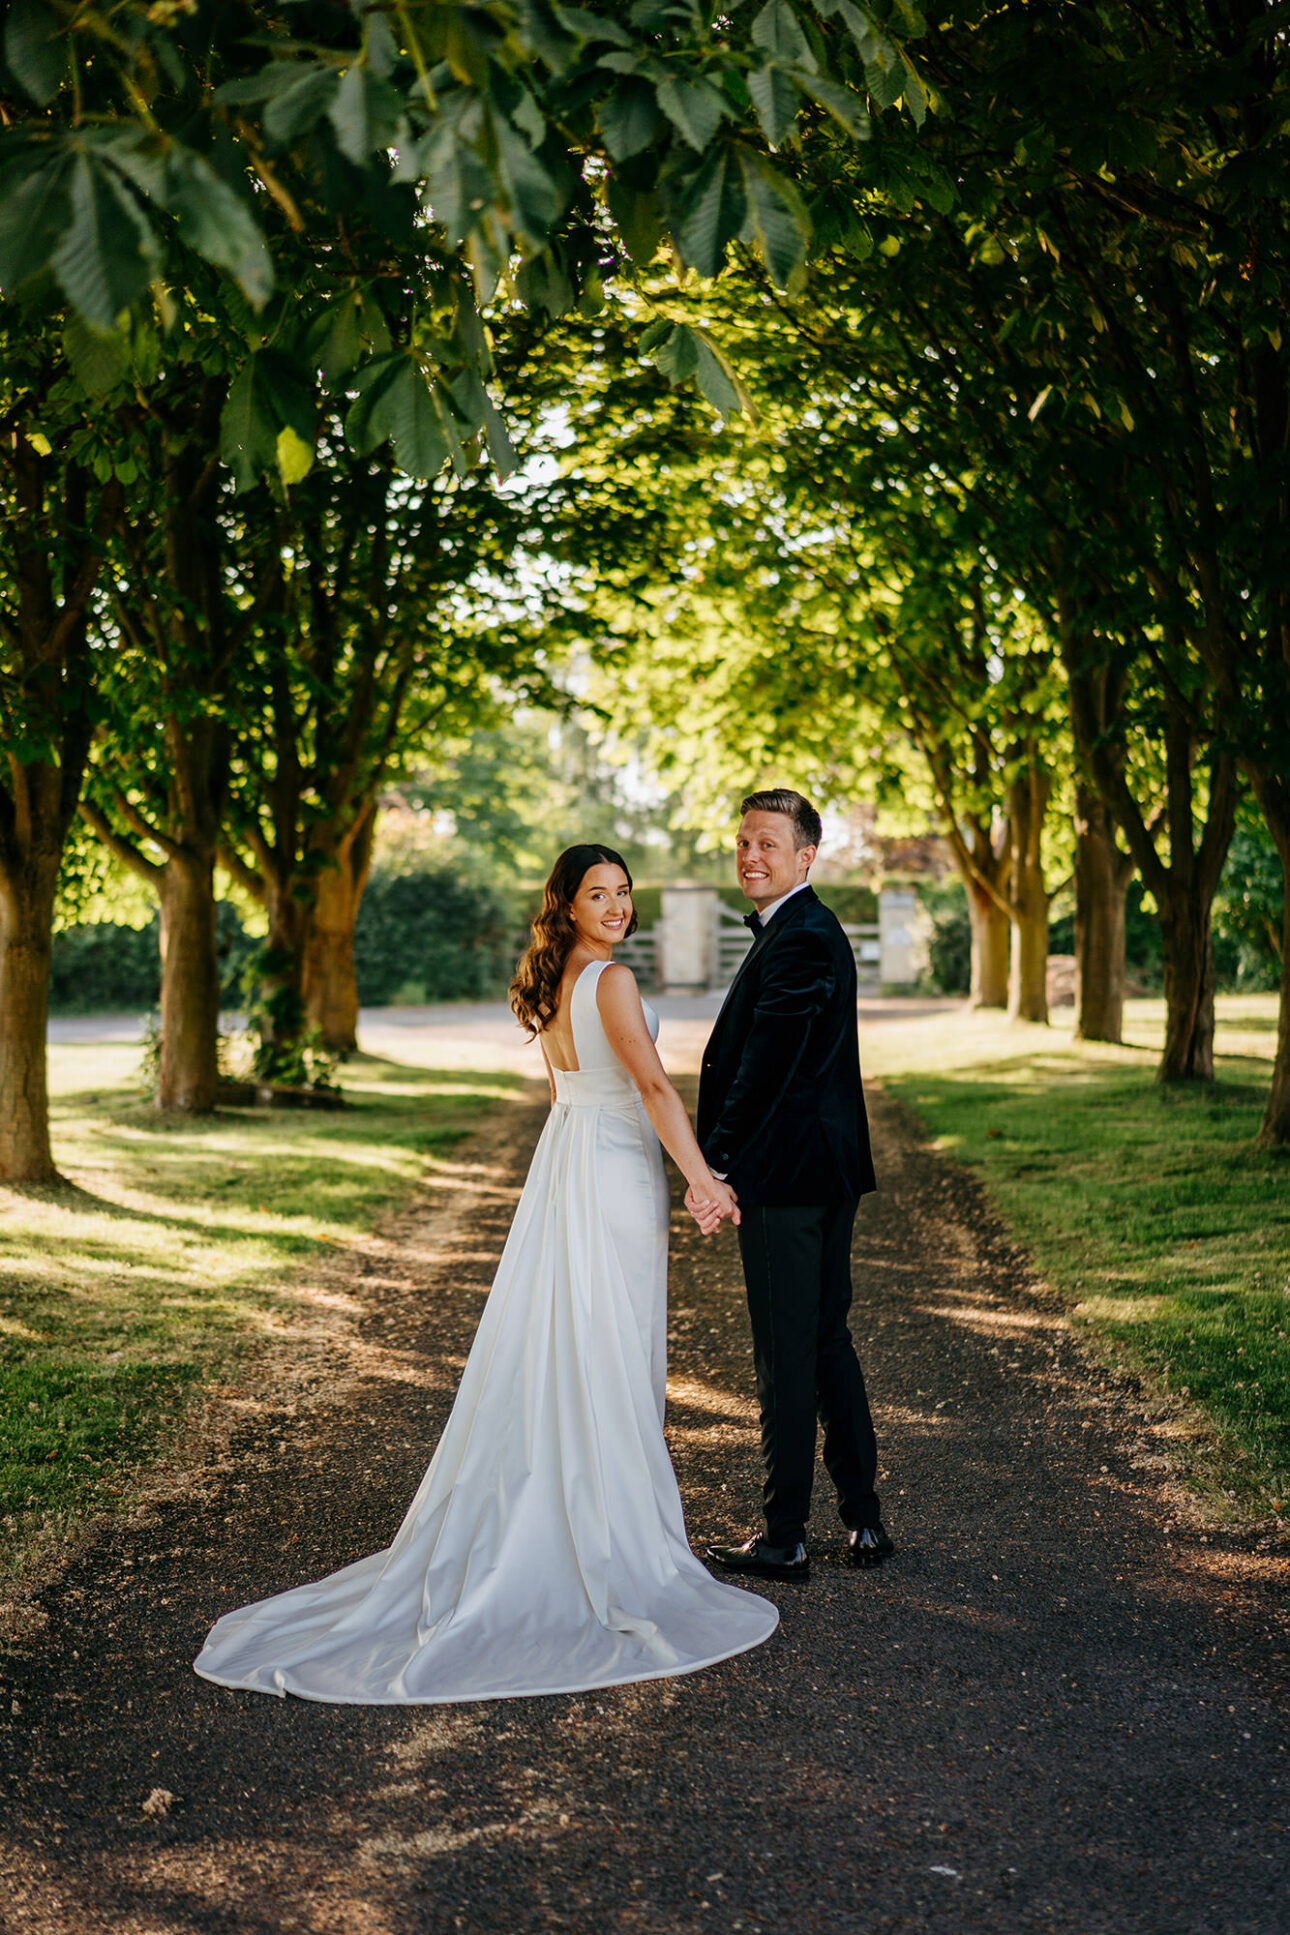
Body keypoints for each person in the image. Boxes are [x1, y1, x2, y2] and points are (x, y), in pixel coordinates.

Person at [194, 843, 778, 1705]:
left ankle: (577, 1511)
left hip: (570, 1160)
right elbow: (652, 1085)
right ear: (568, 903)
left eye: (623, 892)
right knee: (611, 1345)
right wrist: (702, 1178)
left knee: (574, 1341)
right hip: (611, 1169)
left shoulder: (552, 977)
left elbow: (566, 1092)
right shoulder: (610, 982)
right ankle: (609, 1542)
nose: (617, 906)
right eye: (599, 894)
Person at [692, 789, 893, 1583]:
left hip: (787, 1175)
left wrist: (715, 1163)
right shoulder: (801, 928)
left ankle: (784, 1534)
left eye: (768, 844)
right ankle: (864, 1518)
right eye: (743, 842)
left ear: (806, 856)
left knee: (787, 1353)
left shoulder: (803, 935)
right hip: (822, 1170)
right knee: (822, 1339)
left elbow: (766, 1064)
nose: (750, 856)